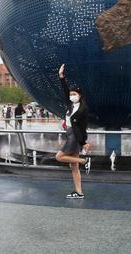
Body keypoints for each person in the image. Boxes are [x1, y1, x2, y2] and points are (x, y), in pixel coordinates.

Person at [55, 64, 91, 199]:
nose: (71, 96)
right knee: (73, 166)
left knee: (59, 157)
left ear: (80, 95)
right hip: (70, 134)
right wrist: (61, 77)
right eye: (71, 94)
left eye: (74, 94)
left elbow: (82, 127)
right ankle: (79, 192)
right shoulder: (70, 105)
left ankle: (85, 162)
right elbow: (64, 90)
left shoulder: (83, 109)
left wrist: (83, 142)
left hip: (74, 137)